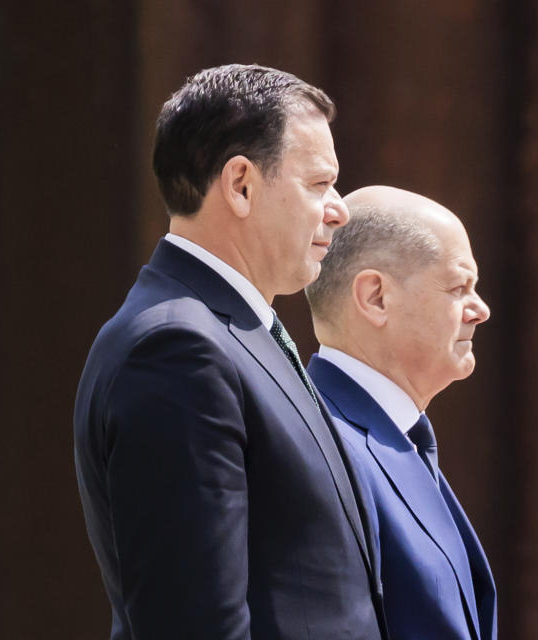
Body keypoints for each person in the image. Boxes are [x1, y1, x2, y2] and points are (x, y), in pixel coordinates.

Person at [74, 65, 385, 640]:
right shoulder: (178, 350)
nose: (339, 209)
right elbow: (194, 625)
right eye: (319, 184)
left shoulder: (233, 334)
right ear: (241, 184)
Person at [305, 185, 498, 640]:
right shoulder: (322, 447)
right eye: (459, 287)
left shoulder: (393, 435)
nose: (481, 310)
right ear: (375, 298)